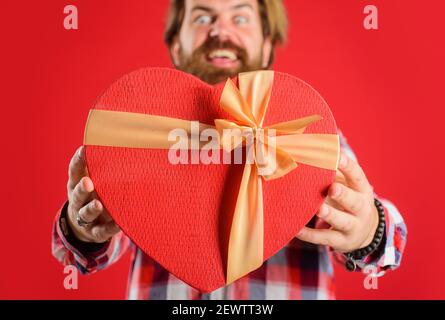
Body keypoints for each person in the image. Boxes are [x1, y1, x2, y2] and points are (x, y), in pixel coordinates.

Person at [52, 0, 407, 300]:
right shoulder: (138, 130)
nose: (221, 32)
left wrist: (367, 230)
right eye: (202, 17)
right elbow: (91, 247)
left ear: (268, 44)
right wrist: (82, 229)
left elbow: (386, 243)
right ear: (176, 44)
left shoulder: (307, 133)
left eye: (240, 17)